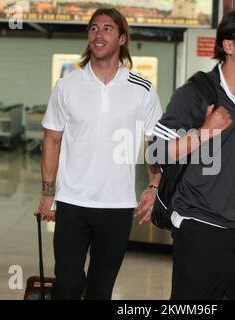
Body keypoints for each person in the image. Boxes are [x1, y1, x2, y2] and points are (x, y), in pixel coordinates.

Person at [150, 8, 235, 300]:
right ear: (228, 46)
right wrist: (205, 132)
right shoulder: (194, 93)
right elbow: (155, 152)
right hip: (199, 230)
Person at [37, 7, 162, 300]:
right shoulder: (67, 86)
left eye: (107, 28)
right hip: (72, 202)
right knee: (68, 284)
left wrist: (154, 186)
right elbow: (51, 140)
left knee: (100, 289)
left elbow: (154, 143)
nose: (99, 33)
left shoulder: (142, 88)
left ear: (121, 38)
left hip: (117, 205)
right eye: (94, 28)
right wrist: (47, 193)